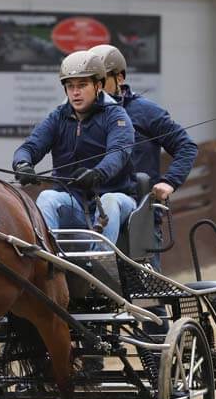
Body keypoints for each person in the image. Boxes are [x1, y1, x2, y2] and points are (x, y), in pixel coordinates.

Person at [89, 44, 199, 267]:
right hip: (90, 215)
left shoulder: (145, 111)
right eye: (92, 81)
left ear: (119, 78)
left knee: (149, 296)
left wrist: (169, 182)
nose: (96, 87)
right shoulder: (80, 116)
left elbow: (186, 146)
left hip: (138, 218)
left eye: (101, 79)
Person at [12, 50, 137, 245]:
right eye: (70, 86)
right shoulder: (58, 117)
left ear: (98, 85)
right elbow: (30, 146)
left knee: (109, 200)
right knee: (47, 197)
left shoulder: (117, 116)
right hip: (76, 205)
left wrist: (97, 174)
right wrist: (22, 164)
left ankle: (100, 265)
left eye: (82, 85)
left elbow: (118, 153)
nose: (75, 92)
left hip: (118, 203)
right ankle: (48, 263)